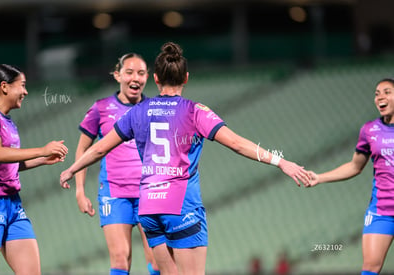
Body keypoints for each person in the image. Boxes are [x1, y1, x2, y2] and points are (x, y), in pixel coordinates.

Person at [60, 42, 309, 275]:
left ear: (155, 79)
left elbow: (99, 148)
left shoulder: (138, 112)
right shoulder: (194, 111)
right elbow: (236, 144)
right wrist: (281, 161)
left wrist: (72, 169)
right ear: (186, 78)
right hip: (181, 208)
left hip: (149, 209)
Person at [74, 53, 159, 275]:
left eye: (141, 73)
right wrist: (80, 190)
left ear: (147, 77)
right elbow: (83, 149)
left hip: (149, 192)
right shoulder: (100, 108)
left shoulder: (155, 108)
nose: (135, 78)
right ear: (117, 75)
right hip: (114, 192)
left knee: (158, 260)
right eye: (129, 72)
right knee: (121, 258)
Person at [0, 64, 68, 275]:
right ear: (5, 87)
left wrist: (43, 159)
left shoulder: (7, 120)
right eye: (22, 86)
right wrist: (42, 150)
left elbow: (7, 164)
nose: (26, 92)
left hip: (13, 204)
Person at [307, 78, 394, 275]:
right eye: (377, 93)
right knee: (370, 268)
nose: (380, 96)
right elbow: (355, 166)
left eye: (387, 92)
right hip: (381, 211)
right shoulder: (369, 130)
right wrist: (320, 177)